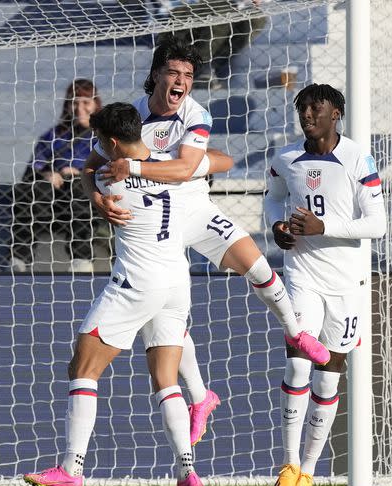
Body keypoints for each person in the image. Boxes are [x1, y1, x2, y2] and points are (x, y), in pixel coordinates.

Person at [85, 36, 330, 447]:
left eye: (188, 75)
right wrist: (98, 199)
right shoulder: (132, 116)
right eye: (174, 72)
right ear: (157, 75)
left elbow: (184, 169)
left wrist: (135, 166)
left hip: (193, 210)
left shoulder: (195, 114)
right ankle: (200, 396)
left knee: (255, 261)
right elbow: (91, 167)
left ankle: (294, 331)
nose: (181, 81)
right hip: (154, 221)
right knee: (165, 306)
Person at [23, 102, 209, 486]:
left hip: (136, 283)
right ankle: (187, 471)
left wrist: (94, 196)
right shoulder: (172, 164)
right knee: (165, 379)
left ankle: (71, 468)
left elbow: (90, 170)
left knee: (82, 368)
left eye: (97, 140)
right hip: (177, 281)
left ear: (109, 142)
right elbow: (212, 162)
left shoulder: (113, 179)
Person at [263, 83, 387, 486]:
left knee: (328, 378)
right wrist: (277, 227)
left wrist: (324, 227)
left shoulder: (358, 160)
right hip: (302, 275)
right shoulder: (286, 160)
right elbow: (274, 197)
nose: (307, 114)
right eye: (302, 108)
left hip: (346, 284)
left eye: (316, 107)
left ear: (336, 114)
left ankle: (309, 472)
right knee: (298, 361)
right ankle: (288, 464)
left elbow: (377, 225)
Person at [10, 79, 110, 271]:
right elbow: (32, 170)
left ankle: (82, 259)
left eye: (85, 102)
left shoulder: (103, 137)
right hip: (52, 197)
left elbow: (112, 170)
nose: (79, 108)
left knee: (78, 185)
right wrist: (48, 174)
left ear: (96, 105)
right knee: (30, 190)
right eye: (74, 102)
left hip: (85, 195)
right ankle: (19, 259)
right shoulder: (53, 136)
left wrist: (81, 173)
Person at [169, 0, 267, 90]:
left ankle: (215, 66)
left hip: (233, 9)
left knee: (256, 17)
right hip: (184, 9)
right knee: (222, 8)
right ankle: (199, 67)